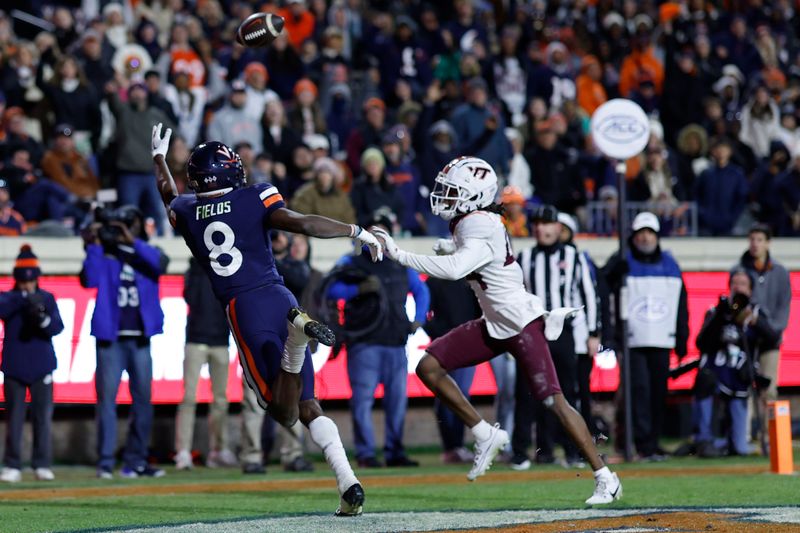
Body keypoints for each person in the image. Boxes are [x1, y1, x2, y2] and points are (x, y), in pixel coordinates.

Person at [152, 123, 382, 516]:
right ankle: (347, 483)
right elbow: (304, 223)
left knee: (282, 411)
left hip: (244, 309)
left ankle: (296, 342)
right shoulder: (255, 196)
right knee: (307, 405)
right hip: (280, 297)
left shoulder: (187, 211)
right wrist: (355, 230)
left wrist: (159, 157)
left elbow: (168, 195)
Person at [371, 156, 621, 505]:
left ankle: (605, 476)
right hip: (495, 324)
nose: (445, 197)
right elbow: (475, 260)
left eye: (454, 192)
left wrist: (398, 252)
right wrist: (450, 248)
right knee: (428, 367)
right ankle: (484, 432)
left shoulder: (479, 223)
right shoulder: (473, 220)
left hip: (519, 323)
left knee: (554, 401)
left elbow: (458, 268)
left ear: (475, 196)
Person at [326, 211, 429, 468]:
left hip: (395, 342)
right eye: (374, 233)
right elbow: (330, 288)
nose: (378, 239)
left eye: (382, 234)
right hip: (364, 342)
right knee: (363, 401)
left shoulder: (397, 263)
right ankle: (366, 454)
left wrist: (419, 319)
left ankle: (394, 451)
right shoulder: (350, 262)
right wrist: (356, 290)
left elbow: (421, 290)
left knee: (396, 402)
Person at [80, 205, 168, 479]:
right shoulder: (105, 254)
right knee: (107, 401)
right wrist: (92, 245)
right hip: (112, 338)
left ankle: (136, 461)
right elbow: (89, 279)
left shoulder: (146, 252)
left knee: (143, 401)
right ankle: (105, 462)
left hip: (140, 338)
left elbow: (160, 265)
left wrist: (133, 242)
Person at [513, 205, 600, 469]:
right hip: (533, 332)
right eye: (537, 223)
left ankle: (572, 450)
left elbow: (588, 294)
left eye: (547, 223)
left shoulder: (574, 256)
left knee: (566, 394)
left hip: (564, 332)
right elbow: (514, 295)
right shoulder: (524, 257)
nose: (541, 228)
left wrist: (594, 332)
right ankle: (527, 451)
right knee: (527, 391)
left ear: (558, 229)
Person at [601, 212, 689, 461]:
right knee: (637, 392)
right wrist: (611, 274)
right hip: (632, 342)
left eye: (650, 233)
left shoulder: (671, 264)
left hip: (662, 340)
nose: (645, 237)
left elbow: (680, 304)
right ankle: (639, 443)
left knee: (658, 393)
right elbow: (602, 285)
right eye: (641, 233)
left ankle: (651, 442)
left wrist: (682, 336)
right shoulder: (622, 260)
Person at [693, 268, 780, 457]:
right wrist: (720, 317)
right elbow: (700, 343)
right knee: (704, 379)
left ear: (750, 290)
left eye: (742, 284)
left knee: (741, 448)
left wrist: (754, 321)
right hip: (716, 371)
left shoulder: (756, 313)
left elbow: (773, 339)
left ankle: (728, 442)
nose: (738, 288)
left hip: (738, 376)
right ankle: (704, 439)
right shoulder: (716, 311)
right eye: (734, 284)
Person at [0, 245, 64, 483]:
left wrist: (41, 315)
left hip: (42, 366)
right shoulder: (8, 298)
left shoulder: (47, 298)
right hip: (15, 366)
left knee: (42, 418)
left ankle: (42, 463)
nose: (28, 283)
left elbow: (57, 327)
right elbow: (3, 308)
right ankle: (12, 464)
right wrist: (25, 300)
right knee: (14, 418)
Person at [174, 257, 238, 471]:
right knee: (189, 397)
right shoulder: (194, 267)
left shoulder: (226, 267)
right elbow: (189, 297)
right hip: (196, 339)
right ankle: (183, 451)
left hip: (220, 340)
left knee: (220, 399)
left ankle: (218, 449)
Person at [737, 224, 791, 448]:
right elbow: (735, 305)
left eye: (759, 239)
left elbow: (783, 307)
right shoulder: (739, 270)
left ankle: (770, 441)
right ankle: (744, 439)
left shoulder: (779, 272)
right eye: (752, 239)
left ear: (768, 242)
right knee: (744, 388)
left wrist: (772, 329)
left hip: (770, 339)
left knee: (768, 390)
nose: (755, 244)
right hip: (746, 339)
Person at [425, 276, 482, 464]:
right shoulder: (434, 281)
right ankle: (451, 446)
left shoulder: (469, 278)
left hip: (467, 344)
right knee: (445, 394)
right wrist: (439, 334)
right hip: (445, 345)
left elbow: (479, 310)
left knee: (461, 394)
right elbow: (424, 312)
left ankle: (457, 445)